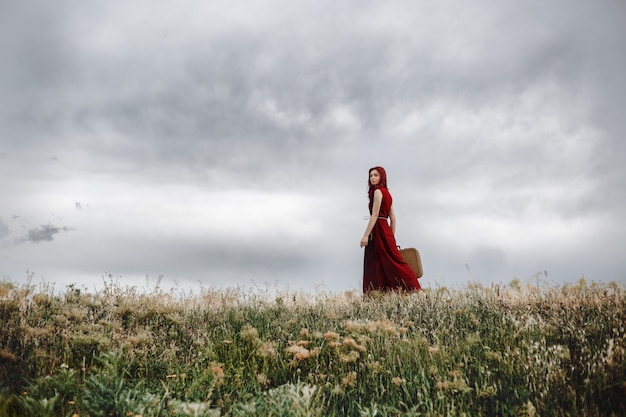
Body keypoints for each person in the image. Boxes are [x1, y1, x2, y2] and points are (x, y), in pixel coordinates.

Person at [360, 166, 421, 293]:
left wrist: (365, 235)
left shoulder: (378, 192)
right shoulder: (388, 194)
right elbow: (393, 219)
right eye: (371, 176)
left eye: (376, 175)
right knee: (389, 261)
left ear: (382, 177)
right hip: (385, 230)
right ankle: (393, 292)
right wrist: (391, 237)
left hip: (378, 229)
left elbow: (375, 216)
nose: (372, 178)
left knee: (378, 264)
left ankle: (414, 288)